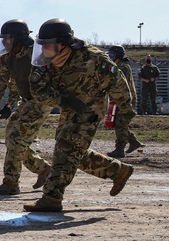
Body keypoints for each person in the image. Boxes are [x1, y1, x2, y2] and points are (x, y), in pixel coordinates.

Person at [24, 19, 134, 212]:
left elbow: (117, 83)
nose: (44, 49)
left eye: (48, 44)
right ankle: (117, 171)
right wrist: (63, 101)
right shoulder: (44, 60)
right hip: (69, 107)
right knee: (72, 150)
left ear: (64, 43)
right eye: (42, 44)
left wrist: (125, 110)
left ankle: (51, 197)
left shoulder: (93, 58)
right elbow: (37, 89)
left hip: (91, 108)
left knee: (67, 146)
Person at [0, 19, 52, 195]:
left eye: (7, 39)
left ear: (18, 39)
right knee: (10, 138)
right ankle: (44, 170)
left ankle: (11, 183)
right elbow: (2, 81)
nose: (4, 43)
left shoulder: (36, 53)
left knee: (17, 139)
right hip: (26, 101)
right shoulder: (8, 56)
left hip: (41, 101)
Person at [105, 46, 143, 158]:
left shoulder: (121, 67)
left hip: (125, 100)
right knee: (121, 123)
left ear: (118, 56)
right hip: (121, 98)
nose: (110, 57)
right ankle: (134, 142)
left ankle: (119, 149)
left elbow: (118, 83)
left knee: (120, 124)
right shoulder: (121, 66)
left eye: (112, 55)